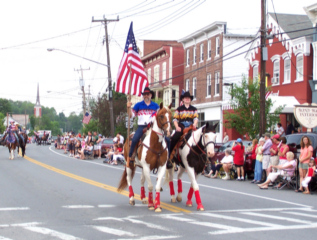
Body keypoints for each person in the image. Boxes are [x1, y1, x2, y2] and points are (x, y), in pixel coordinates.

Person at [127, 87, 159, 163]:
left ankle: (166, 157)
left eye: (147, 94)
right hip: (142, 127)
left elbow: (159, 117)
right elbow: (131, 116)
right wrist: (128, 108)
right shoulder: (138, 105)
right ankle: (131, 155)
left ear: (151, 95)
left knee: (164, 139)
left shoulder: (156, 106)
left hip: (152, 127)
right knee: (135, 139)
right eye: (145, 94)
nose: (146, 96)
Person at [169, 91, 198, 162]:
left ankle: (204, 158)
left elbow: (196, 118)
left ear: (190, 100)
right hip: (182, 125)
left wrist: (194, 124)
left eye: (188, 98)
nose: (187, 99)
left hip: (191, 125)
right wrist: (176, 127)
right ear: (183, 100)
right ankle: (169, 155)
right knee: (174, 138)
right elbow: (175, 119)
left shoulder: (194, 109)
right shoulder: (179, 109)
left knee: (200, 137)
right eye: (186, 98)